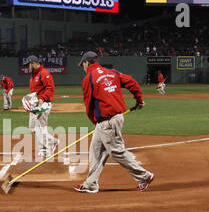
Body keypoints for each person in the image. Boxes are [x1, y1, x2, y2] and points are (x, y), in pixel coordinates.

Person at [74, 51, 152, 193]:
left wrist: (95, 121)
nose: (83, 67)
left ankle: (144, 176)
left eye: (83, 64)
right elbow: (132, 83)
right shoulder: (112, 72)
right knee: (96, 150)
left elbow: (89, 105)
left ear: (87, 63)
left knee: (117, 152)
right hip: (112, 119)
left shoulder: (88, 79)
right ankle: (91, 183)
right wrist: (139, 100)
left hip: (107, 121)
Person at [27, 60, 55, 162]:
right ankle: (53, 142)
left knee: (40, 128)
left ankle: (45, 150)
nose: (28, 67)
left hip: (43, 104)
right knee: (32, 128)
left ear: (34, 63)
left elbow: (50, 88)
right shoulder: (33, 76)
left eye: (29, 64)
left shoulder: (44, 73)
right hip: (35, 105)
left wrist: (42, 98)